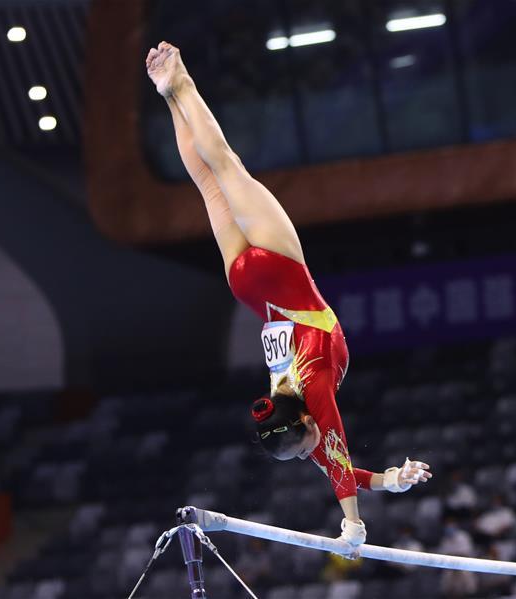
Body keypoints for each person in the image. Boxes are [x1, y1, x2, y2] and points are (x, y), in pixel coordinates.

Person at [145, 41, 432, 553]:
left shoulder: (315, 391)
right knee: (211, 186)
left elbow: (337, 457)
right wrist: (393, 479)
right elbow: (343, 466)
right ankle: (169, 97)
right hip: (246, 282)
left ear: (302, 422)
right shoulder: (286, 391)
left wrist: (354, 527)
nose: (308, 456)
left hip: (279, 269)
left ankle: (182, 86)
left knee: (227, 168)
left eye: (300, 450)